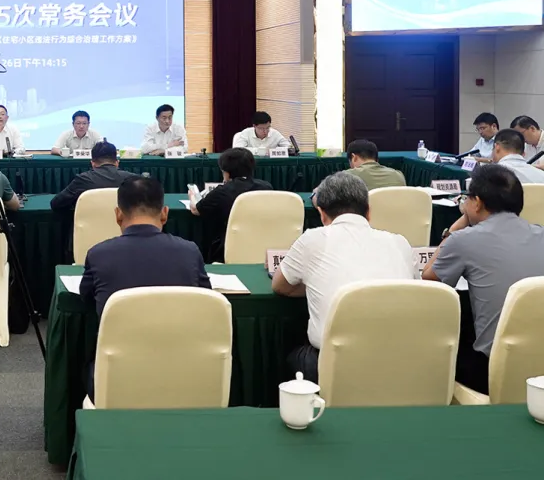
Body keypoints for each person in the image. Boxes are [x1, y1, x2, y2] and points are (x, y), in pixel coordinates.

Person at [272, 172, 418, 383]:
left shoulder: (313, 239)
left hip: (336, 367)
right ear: (368, 212)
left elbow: (280, 285)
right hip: (404, 364)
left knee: (293, 354)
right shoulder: (400, 242)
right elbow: (414, 289)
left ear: (322, 214)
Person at [78, 176, 210, 399]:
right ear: (164, 213)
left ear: (118, 215)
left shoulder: (98, 254)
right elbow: (205, 300)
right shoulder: (190, 251)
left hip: (116, 376)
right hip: (184, 370)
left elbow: (87, 299)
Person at [423, 165, 544, 394]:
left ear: (477, 202)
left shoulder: (464, 239)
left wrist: (454, 229)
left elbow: (428, 280)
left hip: (493, 369)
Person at [190, 148, 273, 263]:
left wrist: (192, 196)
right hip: (263, 245)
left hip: (228, 247)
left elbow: (196, 210)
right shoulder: (266, 186)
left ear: (226, 172)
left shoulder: (222, 191)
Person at [51, 141, 138, 211]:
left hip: (88, 227)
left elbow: (56, 204)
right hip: (124, 227)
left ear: (92, 163)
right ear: (117, 163)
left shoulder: (83, 180)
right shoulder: (133, 179)